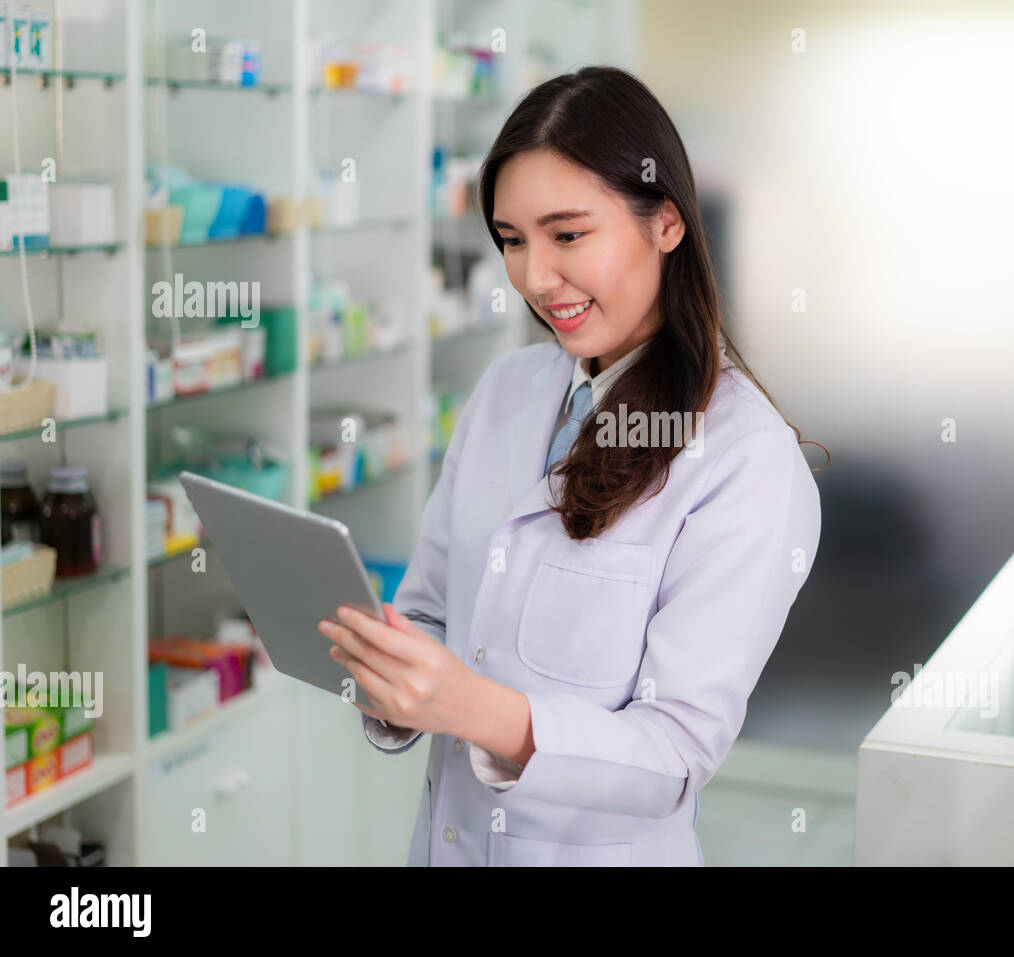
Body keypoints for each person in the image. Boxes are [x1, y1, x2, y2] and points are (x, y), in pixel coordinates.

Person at [318, 65, 824, 866]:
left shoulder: (744, 461)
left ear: (666, 222)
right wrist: (394, 689)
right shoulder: (504, 391)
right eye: (512, 241)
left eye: (568, 234)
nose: (534, 278)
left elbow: (674, 755)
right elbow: (430, 612)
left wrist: (477, 709)